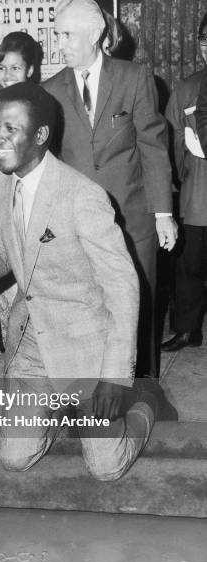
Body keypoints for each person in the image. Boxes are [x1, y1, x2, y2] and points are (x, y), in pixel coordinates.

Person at [0, 82, 156, 480]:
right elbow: (6, 247)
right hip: (32, 343)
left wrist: (114, 380)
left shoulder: (82, 197)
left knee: (106, 467)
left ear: (41, 136)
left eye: (10, 129)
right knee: (14, 457)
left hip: (86, 347)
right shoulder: (1, 183)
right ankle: (55, 408)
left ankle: (144, 403)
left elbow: (123, 289)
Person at [42, 0, 177, 378]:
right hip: (79, 226)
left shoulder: (135, 78)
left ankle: (145, 391)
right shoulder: (50, 91)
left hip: (134, 221)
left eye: (67, 35)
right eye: (58, 36)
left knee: (140, 309)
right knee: (86, 311)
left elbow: (153, 148)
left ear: (96, 35)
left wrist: (163, 214)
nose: (60, 45)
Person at [0, 32, 43, 345]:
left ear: (30, 70)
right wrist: (0, 216)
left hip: (40, 206)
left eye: (15, 68)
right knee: (11, 282)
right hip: (7, 205)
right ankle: (15, 354)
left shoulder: (44, 104)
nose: (7, 75)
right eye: (2, 67)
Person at [162, 15, 207, 351]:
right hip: (199, 192)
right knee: (188, 264)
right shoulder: (187, 87)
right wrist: (181, 178)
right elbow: (172, 142)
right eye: (205, 39)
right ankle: (188, 329)